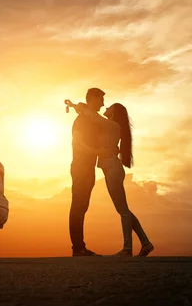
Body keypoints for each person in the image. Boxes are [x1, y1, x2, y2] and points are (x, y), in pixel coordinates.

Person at [65, 99, 154, 257]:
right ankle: (145, 243)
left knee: (122, 210)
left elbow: (92, 116)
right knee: (123, 209)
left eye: (109, 107)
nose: (105, 106)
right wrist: (75, 107)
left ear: (113, 113)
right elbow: (91, 117)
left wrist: (75, 106)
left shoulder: (111, 125)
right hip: (110, 168)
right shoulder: (108, 125)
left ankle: (127, 249)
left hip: (112, 168)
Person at [68, 88, 105, 257]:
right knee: (78, 205)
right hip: (80, 167)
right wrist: (97, 152)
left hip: (88, 167)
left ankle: (80, 247)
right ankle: (78, 248)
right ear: (92, 99)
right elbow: (78, 144)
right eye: (100, 100)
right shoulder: (81, 120)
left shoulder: (91, 120)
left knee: (82, 206)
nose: (103, 104)